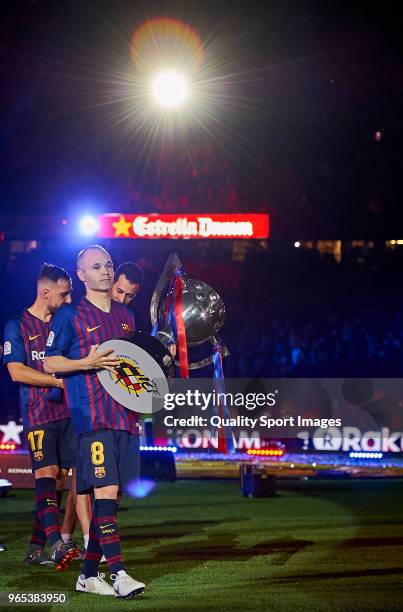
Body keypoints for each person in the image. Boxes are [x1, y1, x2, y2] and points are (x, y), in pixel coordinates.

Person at [45, 245, 145, 598]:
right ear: (82, 274)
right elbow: (50, 363)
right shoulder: (69, 316)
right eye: (96, 266)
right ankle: (118, 573)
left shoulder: (126, 317)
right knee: (104, 491)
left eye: (108, 265)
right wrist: (86, 363)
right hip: (92, 416)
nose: (105, 271)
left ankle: (87, 574)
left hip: (125, 417)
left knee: (112, 499)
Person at [3, 264, 82, 568]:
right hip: (38, 413)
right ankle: (57, 544)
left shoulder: (65, 323)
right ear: (45, 292)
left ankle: (35, 549)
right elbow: (15, 370)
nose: (68, 300)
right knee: (46, 477)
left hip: (68, 412)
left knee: (60, 481)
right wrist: (55, 380)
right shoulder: (17, 324)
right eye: (64, 294)